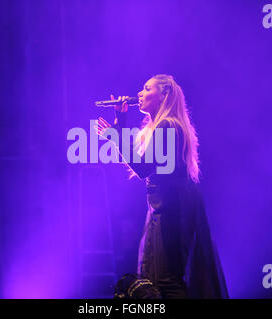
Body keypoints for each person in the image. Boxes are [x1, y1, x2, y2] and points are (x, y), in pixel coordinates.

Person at [95, 74, 228, 299]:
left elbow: (143, 168)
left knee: (166, 281)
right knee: (156, 278)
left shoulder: (168, 126)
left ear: (164, 96)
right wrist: (121, 123)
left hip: (171, 211)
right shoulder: (164, 126)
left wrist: (115, 136)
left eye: (147, 89)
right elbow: (140, 163)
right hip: (165, 209)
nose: (140, 94)